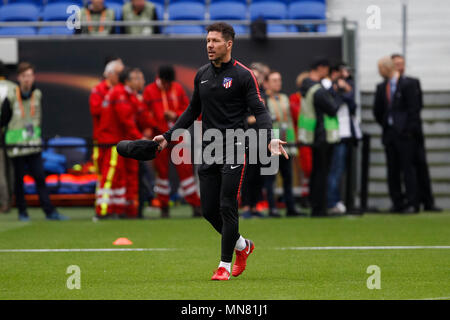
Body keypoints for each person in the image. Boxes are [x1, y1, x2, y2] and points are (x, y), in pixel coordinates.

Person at [152, 22, 287, 280]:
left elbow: (260, 110)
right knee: (208, 211)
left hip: (235, 146)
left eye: (214, 41)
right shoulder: (201, 74)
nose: (209, 45)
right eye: (207, 41)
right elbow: (192, 111)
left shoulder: (244, 76)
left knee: (227, 206)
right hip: (209, 148)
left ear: (229, 44)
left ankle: (224, 266)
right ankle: (243, 246)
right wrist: (169, 137)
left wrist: (269, 139)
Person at [0, 62, 68, 221]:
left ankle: (49, 211)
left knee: (40, 178)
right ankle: (22, 212)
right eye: (24, 76)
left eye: (30, 76)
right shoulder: (10, 96)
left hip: (33, 144)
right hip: (16, 146)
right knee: (18, 181)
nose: (27, 80)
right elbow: (3, 120)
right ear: (19, 77)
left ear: (33, 77)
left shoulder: (37, 94)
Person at [143, 65, 202, 218]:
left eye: (169, 83)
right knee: (161, 173)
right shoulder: (149, 91)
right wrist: (156, 123)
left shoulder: (177, 88)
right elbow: (144, 114)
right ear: (159, 78)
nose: (167, 86)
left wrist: (174, 115)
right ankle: (164, 208)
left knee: (186, 171)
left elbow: (187, 109)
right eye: (165, 83)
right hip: (158, 136)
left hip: (178, 134)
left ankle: (196, 206)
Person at [391, 53, 441, 212]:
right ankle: (408, 201)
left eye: (402, 63)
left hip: (412, 133)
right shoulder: (388, 85)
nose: (400, 66)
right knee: (403, 168)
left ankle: (426, 201)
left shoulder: (412, 83)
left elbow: (416, 107)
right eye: (397, 63)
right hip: (397, 134)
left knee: (419, 166)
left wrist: (410, 129)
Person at [95, 66, 145, 218]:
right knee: (110, 175)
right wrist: (141, 138)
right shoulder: (120, 93)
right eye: (136, 78)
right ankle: (103, 211)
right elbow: (126, 121)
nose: (140, 81)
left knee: (120, 177)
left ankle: (119, 210)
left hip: (120, 141)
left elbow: (140, 114)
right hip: (112, 141)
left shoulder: (127, 94)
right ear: (127, 81)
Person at [373, 56, 421, 213]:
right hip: (390, 134)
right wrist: (387, 124)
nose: (379, 72)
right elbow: (378, 110)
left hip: (405, 134)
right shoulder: (382, 87)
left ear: (387, 68)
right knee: (392, 170)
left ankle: (412, 202)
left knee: (408, 169)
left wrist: (408, 129)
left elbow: (414, 109)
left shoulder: (408, 84)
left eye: (380, 69)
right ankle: (397, 202)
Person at [298, 59, 340, 217]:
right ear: (321, 68)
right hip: (323, 135)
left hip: (312, 135)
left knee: (317, 172)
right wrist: (337, 93)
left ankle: (317, 205)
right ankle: (319, 208)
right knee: (322, 173)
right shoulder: (318, 90)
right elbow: (333, 109)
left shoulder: (306, 87)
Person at [264, 70, 303, 217]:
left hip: (287, 141)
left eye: (279, 80)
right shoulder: (263, 98)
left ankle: (290, 207)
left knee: (288, 176)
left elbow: (289, 120)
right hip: (272, 141)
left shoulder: (284, 98)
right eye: (274, 80)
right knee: (270, 177)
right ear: (267, 83)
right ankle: (272, 208)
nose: (278, 83)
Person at [326, 64, 358, 214]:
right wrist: (340, 89)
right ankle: (332, 202)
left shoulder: (346, 88)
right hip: (334, 134)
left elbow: (352, 105)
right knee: (335, 170)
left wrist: (345, 89)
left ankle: (338, 200)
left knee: (341, 170)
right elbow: (334, 106)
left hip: (346, 135)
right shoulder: (328, 88)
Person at [239, 62, 270, 219]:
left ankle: (254, 205)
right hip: (248, 138)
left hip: (262, 138)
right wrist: (248, 119)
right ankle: (246, 206)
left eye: (259, 77)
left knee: (259, 174)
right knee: (248, 174)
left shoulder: (263, 94)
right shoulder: (243, 94)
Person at [289, 71, 311, 204]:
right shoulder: (295, 98)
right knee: (304, 168)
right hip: (299, 137)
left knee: (310, 168)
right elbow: (297, 114)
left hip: (310, 136)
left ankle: (308, 193)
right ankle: (304, 195)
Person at [0, 60, 16, 213]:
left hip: (3, 133)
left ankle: (4, 203)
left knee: (1, 172)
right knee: (10, 169)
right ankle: (11, 199)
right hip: (13, 134)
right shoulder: (13, 87)